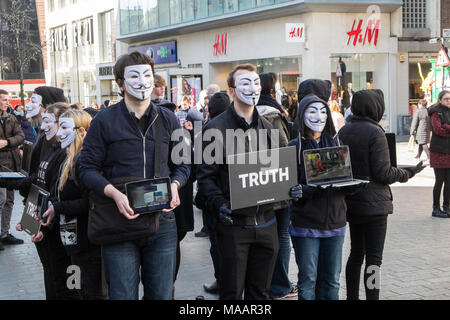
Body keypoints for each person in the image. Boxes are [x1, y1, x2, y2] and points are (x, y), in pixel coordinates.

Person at [79, 51, 190, 300]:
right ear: (121, 83)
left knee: (162, 294)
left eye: (148, 75)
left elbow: (183, 164)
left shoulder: (170, 119)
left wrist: (175, 184)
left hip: (162, 223)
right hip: (118, 223)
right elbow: (86, 169)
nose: (142, 82)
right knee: (122, 295)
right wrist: (114, 194)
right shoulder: (103, 121)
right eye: (134, 76)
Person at [197, 64, 279, 300]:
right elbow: (205, 178)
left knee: (260, 294)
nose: (252, 88)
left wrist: (286, 190)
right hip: (234, 226)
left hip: (266, 224)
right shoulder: (215, 128)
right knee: (231, 292)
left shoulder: (268, 127)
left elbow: (275, 171)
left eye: (255, 83)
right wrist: (220, 204)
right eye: (245, 83)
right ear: (232, 91)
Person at [339, 89, 424, 300]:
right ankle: (372, 297)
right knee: (374, 260)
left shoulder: (344, 130)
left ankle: (351, 297)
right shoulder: (375, 132)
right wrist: (408, 172)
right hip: (375, 206)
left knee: (356, 254)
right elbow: (384, 172)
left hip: (352, 203)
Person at [289, 92, 354, 300]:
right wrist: (303, 190)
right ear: (302, 115)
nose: (319, 116)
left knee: (332, 279)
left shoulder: (337, 144)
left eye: (323, 111)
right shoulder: (294, 147)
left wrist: (351, 185)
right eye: (313, 111)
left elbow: (344, 181)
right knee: (307, 279)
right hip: (306, 224)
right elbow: (288, 187)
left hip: (335, 223)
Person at [39, 109, 107, 300]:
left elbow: (92, 201)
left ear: (82, 131)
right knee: (77, 290)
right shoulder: (67, 159)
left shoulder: (85, 161)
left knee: (92, 294)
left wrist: (58, 208)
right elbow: (58, 196)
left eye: (64, 127)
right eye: (59, 126)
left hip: (88, 245)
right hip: (72, 244)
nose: (59, 132)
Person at [9, 103, 75, 299]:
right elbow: (38, 182)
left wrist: (44, 224)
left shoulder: (70, 157)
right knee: (52, 273)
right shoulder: (50, 147)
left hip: (59, 228)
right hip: (44, 222)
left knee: (67, 280)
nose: (45, 126)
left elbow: (63, 195)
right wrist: (29, 216)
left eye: (50, 122)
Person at [255, 73, 295, 299]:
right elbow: (283, 151)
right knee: (280, 235)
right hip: (277, 183)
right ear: (271, 91)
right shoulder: (273, 114)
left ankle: (267, 283)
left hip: (256, 183)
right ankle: (280, 285)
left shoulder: (249, 112)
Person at [197, 92, 230, 294]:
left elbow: (201, 171)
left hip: (213, 200)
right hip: (230, 197)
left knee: (217, 245)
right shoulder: (233, 128)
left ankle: (222, 280)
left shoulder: (208, 130)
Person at [0, 89, 25, 250]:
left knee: (9, 200)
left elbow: (21, 136)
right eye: (3, 99)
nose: (6, 102)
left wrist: (7, 142)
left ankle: (4, 233)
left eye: (7, 99)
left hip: (12, 164)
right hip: (1, 164)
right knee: (0, 200)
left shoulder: (11, 117)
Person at [429, 90, 450, 218]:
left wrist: (446, 126)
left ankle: (447, 207)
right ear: (440, 100)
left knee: (449, 182)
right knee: (439, 181)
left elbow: (444, 128)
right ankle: (435, 208)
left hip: (448, 151)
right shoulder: (436, 112)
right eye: (446, 99)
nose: (449, 101)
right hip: (438, 152)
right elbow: (438, 130)